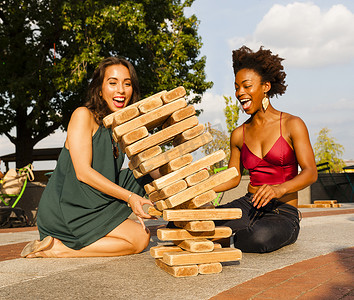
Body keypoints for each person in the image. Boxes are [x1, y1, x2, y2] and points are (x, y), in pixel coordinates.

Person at [21, 57, 158, 258]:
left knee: (142, 185)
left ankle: (66, 245)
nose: (120, 90)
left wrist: (184, 175)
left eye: (127, 84)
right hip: (68, 208)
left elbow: (149, 165)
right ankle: (58, 249)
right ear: (99, 89)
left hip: (95, 201)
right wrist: (130, 198)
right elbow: (83, 173)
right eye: (112, 83)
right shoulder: (83, 115)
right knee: (139, 238)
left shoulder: (122, 128)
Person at [214, 46, 318, 253]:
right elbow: (233, 177)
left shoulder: (292, 124)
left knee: (255, 238)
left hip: (282, 211)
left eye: (246, 86)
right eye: (236, 87)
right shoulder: (238, 134)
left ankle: (231, 233)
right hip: (248, 205)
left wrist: (278, 189)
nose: (239, 93)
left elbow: (310, 172)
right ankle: (227, 232)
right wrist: (199, 188)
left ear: (266, 86)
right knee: (191, 224)